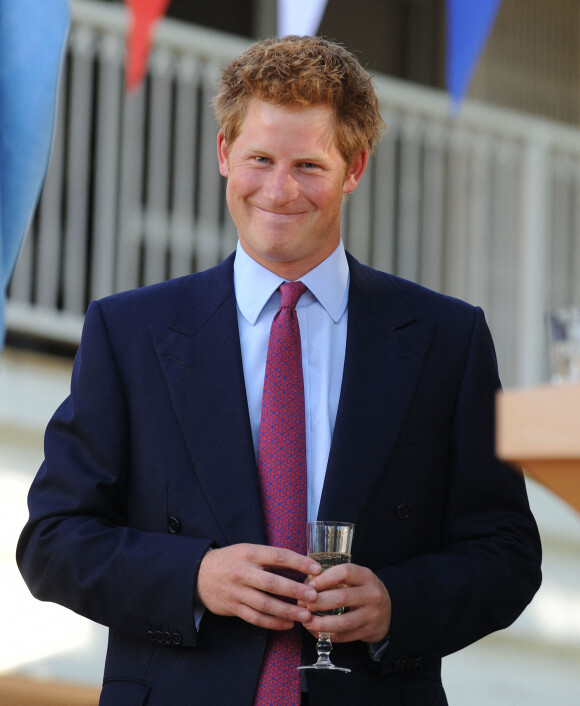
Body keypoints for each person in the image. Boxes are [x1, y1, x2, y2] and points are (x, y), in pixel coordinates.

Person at [17, 36, 541, 706]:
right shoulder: (129, 332)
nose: (279, 190)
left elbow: (505, 553)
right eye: (260, 158)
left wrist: (394, 603)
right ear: (223, 154)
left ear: (354, 167)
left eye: (308, 166)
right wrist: (196, 576)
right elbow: (54, 540)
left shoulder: (447, 339)